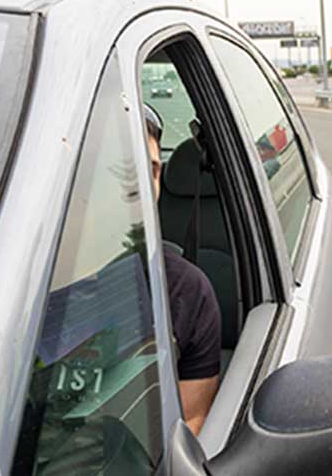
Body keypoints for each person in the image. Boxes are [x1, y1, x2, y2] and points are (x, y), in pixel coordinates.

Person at [144, 103, 222, 435]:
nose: (139, 185)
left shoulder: (184, 291)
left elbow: (189, 423)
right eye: (119, 168)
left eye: (150, 169)